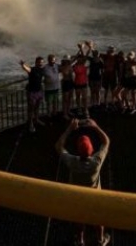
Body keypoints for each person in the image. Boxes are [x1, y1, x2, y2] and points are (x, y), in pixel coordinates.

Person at [55, 118, 110, 246]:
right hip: (95, 196)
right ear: (91, 150)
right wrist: (95, 126)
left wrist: (70, 129)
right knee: (98, 219)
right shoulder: (96, 162)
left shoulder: (72, 162)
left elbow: (59, 146)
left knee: (79, 220)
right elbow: (106, 142)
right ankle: (101, 240)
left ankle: (80, 241)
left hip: (78, 196)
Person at [19, 56, 46, 132]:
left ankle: (36, 119)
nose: (41, 63)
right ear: (36, 62)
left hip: (39, 91)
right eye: (39, 62)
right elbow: (26, 69)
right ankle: (30, 123)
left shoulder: (42, 70)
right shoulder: (32, 69)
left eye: (42, 62)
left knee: (37, 107)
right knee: (31, 109)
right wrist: (22, 64)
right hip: (32, 92)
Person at [43, 54, 62, 119]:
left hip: (56, 87)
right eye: (51, 60)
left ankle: (55, 113)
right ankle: (49, 115)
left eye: (54, 60)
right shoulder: (45, 67)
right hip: (49, 88)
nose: (53, 62)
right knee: (49, 103)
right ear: (48, 60)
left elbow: (67, 65)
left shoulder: (57, 66)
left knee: (55, 102)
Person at [60, 55, 75, 120]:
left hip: (71, 82)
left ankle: (68, 111)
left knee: (70, 98)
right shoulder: (61, 67)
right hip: (65, 83)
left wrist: (81, 49)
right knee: (65, 99)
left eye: (68, 60)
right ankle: (64, 114)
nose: (67, 61)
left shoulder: (70, 65)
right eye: (66, 60)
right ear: (64, 61)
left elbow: (76, 57)